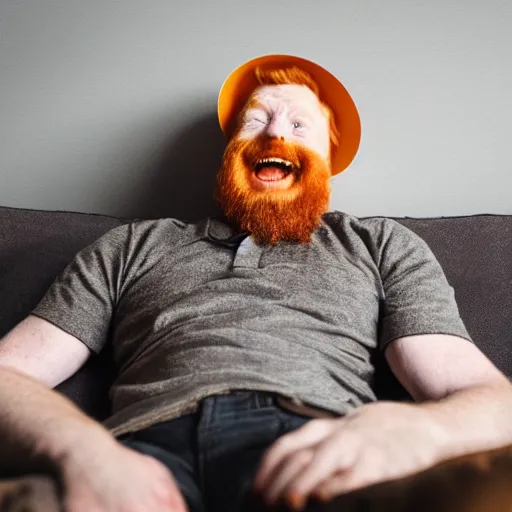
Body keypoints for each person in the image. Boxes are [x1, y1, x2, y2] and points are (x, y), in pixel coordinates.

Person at [0, 54, 511, 512]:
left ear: (329, 162)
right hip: (136, 458)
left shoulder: (378, 243)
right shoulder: (130, 245)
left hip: (314, 452)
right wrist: (81, 451)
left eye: (299, 125)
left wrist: (419, 432)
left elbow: (488, 397)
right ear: (232, 151)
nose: (275, 136)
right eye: (256, 121)